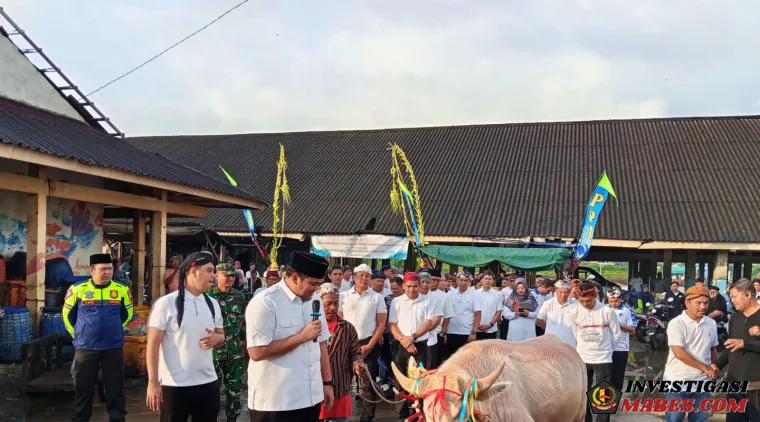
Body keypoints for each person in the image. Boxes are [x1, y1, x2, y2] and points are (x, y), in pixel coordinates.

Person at [245, 251, 334, 422]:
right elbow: (256, 352)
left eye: (319, 284)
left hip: (311, 398)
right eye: (313, 284)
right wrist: (301, 337)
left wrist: (327, 382)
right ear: (295, 277)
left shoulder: (315, 300)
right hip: (276, 402)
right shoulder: (266, 302)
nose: (317, 289)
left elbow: (321, 343)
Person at [145, 252, 225, 421]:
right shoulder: (165, 304)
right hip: (174, 386)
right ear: (193, 271)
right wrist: (153, 383)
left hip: (207, 383)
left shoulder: (213, 304)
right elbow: (152, 344)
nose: (214, 275)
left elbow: (221, 335)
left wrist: (218, 339)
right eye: (209, 270)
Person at [63, 253, 133, 422]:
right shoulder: (78, 289)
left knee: (115, 388)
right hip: (85, 347)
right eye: (103, 269)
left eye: (110, 269)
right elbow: (67, 316)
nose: (107, 272)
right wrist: (78, 335)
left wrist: (116, 330)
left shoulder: (122, 289)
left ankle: (117, 418)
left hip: (113, 346)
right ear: (92, 270)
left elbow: (127, 314)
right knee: (83, 389)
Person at [337, 264, 387, 422]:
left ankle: (367, 417)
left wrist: (370, 345)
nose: (364, 279)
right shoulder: (343, 296)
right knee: (343, 380)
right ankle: (340, 415)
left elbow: (381, 324)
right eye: (361, 275)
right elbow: (339, 321)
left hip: (368, 342)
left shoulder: (377, 298)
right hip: (346, 342)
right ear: (354, 277)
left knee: (368, 383)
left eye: (367, 276)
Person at [663, 285, 719, 422]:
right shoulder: (677, 324)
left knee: (700, 419)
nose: (703, 307)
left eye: (706, 303)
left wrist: (713, 366)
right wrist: (705, 368)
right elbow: (679, 353)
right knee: (675, 418)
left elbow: (713, 349)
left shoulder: (711, 323)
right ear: (687, 302)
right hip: (677, 380)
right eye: (698, 303)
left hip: (703, 381)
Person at [567, 283, 621, 422]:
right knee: (583, 391)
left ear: (595, 296)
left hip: (603, 358)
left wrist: (607, 350)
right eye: (582, 301)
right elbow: (575, 333)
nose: (585, 304)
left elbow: (616, 335)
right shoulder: (574, 312)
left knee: (604, 393)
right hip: (583, 358)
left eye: (589, 301)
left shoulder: (606, 311)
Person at [387, 272, 435, 420]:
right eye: (408, 286)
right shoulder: (397, 302)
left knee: (420, 382)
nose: (412, 289)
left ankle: (419, 414)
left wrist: (412, 338)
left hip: (421, 346)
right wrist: (405, 342)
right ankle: (402, 415)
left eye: (415, 286)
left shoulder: (428, 301)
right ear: (403, 286)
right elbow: (392, 324)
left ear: (419, 286)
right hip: (402, 346)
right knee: (401, 381)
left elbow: (428, 323)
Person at [317, 284, 364, 422]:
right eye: (328, 304)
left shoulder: (347, 328)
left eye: (336, 303)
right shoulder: (311, 327)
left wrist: (357, 363)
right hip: (314, 388)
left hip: (339, 386)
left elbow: (355, 353)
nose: (332, 308)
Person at [209, 263, 247, 422]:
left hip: (234, 352)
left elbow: (241, 320)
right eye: (226, 275)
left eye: (233, 275)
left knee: (234, 391)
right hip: (213, 353)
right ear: (216, 275)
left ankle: (232, 419)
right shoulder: (207, 296)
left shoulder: (240, 297)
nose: (230, 278)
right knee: (211, 391)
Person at [721, 279, 760, 422]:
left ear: (748, 294)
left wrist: (746, 343)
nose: (732, 301)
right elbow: (731, 346)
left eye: (734, 296)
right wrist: (716, 365)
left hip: (756, 384)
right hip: (734, 383)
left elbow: (741, 344)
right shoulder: (735, 317)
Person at [445, 271, 482, 358]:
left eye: (466, 280)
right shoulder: (450, 294)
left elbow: (478, 315)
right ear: (457, 281)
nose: (463, 282)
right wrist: (444, 331)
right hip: (450, 332)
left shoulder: (475, 295)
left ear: (470, 282)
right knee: (451, 359)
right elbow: (446, 314)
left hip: (467, 333)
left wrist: (473, 332)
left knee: (466, 359)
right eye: (461, 280)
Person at [607, 289, 635, 392]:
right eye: (611, 301)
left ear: (620, 299)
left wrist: (619, 326)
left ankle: (616, 397)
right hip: (605, 348)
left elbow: (632, 329)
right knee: (605, 376)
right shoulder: (604, 309)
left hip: (621, 348)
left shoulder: (627, 311)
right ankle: (605, 398)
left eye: (616, 301)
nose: (613, 304)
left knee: (618, 376)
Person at [537, 280, 578, 347]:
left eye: (566, 292)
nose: (563, 295)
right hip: (551, 343)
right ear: (556, 291)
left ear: (570, 291)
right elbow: (539, 320)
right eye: (561, 292)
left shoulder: (575, 304)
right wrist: (549, 329)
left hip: (569, 343)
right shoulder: (548, 303)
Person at [499, 275, 516, 340]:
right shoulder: (504, 291)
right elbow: (501, 303)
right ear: (508, 281)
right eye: (511, 281)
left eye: (514, 281)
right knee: (504, 334)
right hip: (505, 315)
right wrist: (500, 316)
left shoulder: (519, 290)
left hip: (515, 315)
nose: (512, 282)